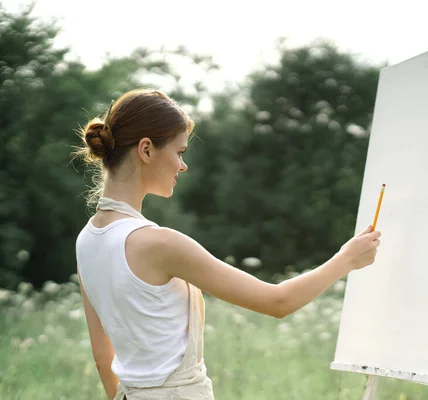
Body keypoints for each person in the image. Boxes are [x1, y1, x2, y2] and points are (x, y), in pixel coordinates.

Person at [73, 88, 382, 400]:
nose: (183, 166)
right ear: (147, 150)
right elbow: (277, 302)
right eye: (180, 152)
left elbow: (103, 359)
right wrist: (347, 259)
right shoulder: (159, 244)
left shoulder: (86, 241)